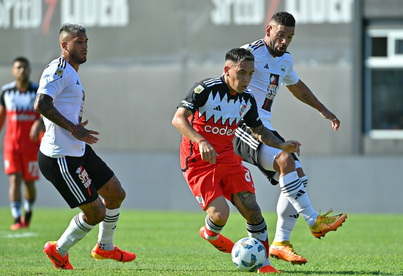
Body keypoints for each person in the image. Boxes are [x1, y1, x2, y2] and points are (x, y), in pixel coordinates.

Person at [172, 47, 303, 273]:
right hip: (198, 159)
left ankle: (265, 265)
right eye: (242, 73)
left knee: (252, 210)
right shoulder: (205, 88)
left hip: (229, 159)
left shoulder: (247, 99)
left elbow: (259, 129)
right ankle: (210, 232)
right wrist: (201, 141)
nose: (246, 79)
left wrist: (282, 145)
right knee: (220, 215)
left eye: (250, 74)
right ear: (227, 69)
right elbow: (178, 119)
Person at [233, 11, 347, 265]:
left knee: (297, 174)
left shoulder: (285, 60)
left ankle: (280, 243)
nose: (284, 41)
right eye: (281, 34)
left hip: (265, 127)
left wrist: (323, 110)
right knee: (287, 159)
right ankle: (314, 221)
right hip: (242, 126)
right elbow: (228, 76)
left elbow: (296, 86)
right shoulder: (249, 53)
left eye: (290, 37)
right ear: (269, 30)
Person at [34, 23, 136, 270]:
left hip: (77, 149)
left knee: (115, 194)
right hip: (61, 157)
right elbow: (41, 103)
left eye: (86, 41)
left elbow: (53, 107)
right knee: (96, 213)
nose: (84, 46)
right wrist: (72, 128)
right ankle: (58, 250)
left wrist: (72, 126)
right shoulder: (59, 69)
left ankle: (105, 248)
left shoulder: (71, 72)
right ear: (64, 44)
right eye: (78, 41)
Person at [0, 57, 44, 231]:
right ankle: (17, 218)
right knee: (14, 180)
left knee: (29, 184)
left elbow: (46, 113)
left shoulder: (38, 91)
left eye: (25, 67)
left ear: (29, 69)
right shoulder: (6, 92)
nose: (22, 71)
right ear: (13, 71)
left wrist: (39, 123)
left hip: (32, 147)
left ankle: (28, 211)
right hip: (11, 146)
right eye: (18, 67)